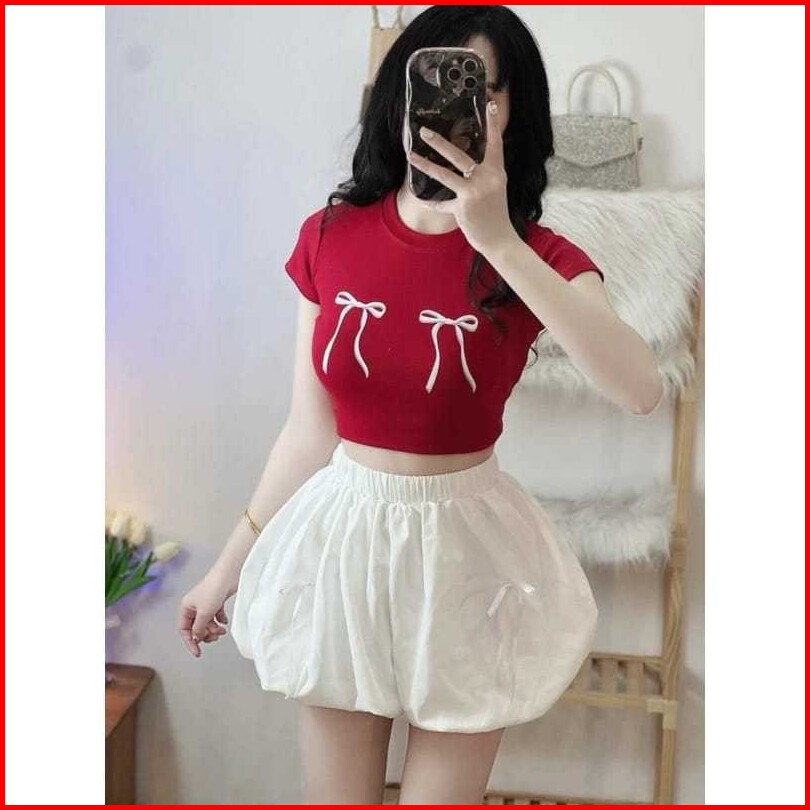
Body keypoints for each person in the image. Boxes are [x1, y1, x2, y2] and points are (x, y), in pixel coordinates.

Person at [177, 5, 664, 805]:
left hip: (468, 557)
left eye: (480, 89)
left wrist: (497, 238)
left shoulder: (540, 257)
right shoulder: (331, 236)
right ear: (398, 99)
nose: (450, 108)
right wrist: (225, 571)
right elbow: (307, 432)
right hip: (343, 543)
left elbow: (640, 389)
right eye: (429, 82)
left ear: (512, 111)